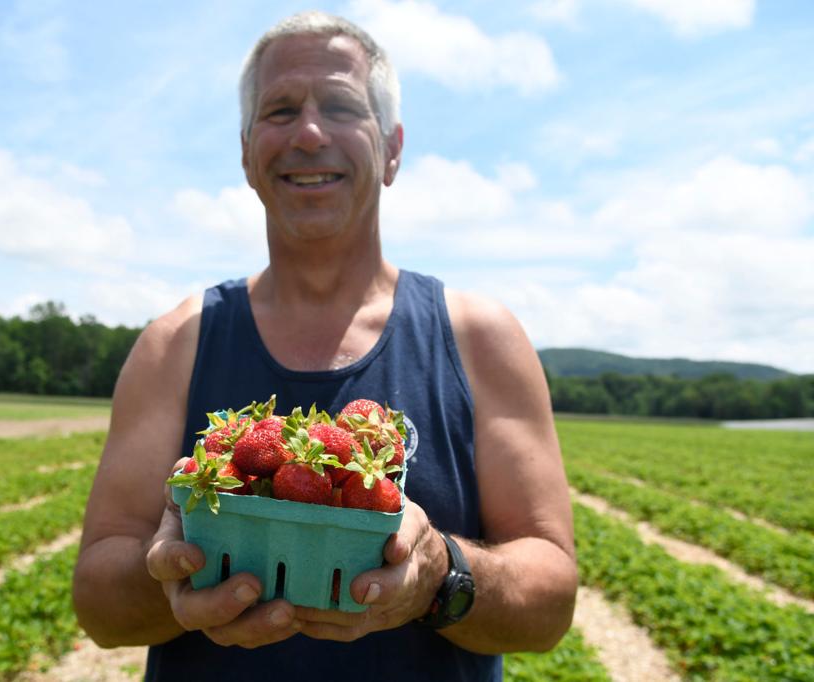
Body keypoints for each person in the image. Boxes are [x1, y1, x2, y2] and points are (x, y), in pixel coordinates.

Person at [72, 11, 577, 681]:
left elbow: (551, 603)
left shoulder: (482, 341)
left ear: (392, 148)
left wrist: (438, 573)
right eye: (280, 111)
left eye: (341, 106)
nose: (309, 133)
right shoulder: (175, 344)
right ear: (248, 150)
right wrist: (188, 561)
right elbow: (99, 606)